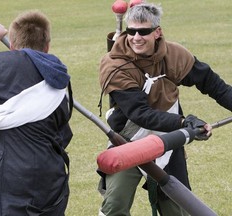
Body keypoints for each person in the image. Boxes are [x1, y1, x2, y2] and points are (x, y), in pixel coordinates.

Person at [97, 2, 232, 216]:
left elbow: (212, 84)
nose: (136, 37)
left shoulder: (174, 55)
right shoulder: (114, 65)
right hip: (128, 141)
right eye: (131, 31)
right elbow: (141, 115)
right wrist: (183, 123)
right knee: (115, 206)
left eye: (144, 31)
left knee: (177, 209)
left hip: (168, 141)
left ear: (157, 32)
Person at [0, 10, 73, 216]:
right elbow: (64, 132)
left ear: (13, 46)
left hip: (12, 182)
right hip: (52, 179)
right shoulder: (59, 74)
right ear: (47, 46)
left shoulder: (3, 65)